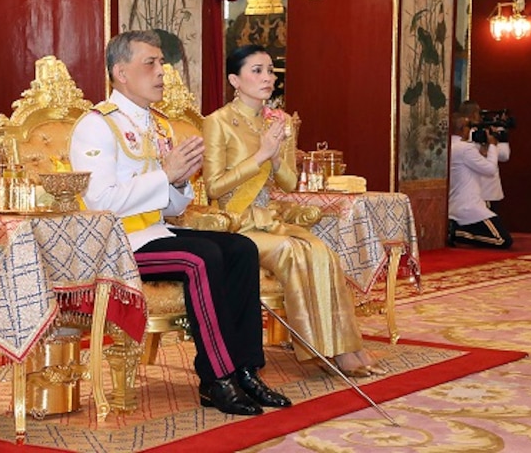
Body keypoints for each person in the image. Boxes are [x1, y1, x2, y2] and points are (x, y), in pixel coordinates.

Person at [69, 30, 291, 416]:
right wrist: (164, 174)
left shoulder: (158, 125)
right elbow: (98, 202)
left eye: (162, 63)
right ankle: (216, 378)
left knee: (240, 248)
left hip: (156, 231)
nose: (161, 72)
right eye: (150, 64)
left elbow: (172, 206)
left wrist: (178, 180)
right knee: (199, 257)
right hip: (117, 243)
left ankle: (245, 369)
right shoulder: (96, 125)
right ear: (121, 72)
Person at [202, 44, 385, 377]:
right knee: (292, 252)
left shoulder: (279, 121)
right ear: (235, 80)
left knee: (323, 251)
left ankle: (345, 346)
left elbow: (287, 184)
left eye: (270, 70)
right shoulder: (218, 122)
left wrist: (275, 156)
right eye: (256, 70)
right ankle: (324, 351)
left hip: (269, 219)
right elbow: (214, 187)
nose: (267, 77)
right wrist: (259, 156)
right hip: (234, 223)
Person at [447, 113, 513, 248]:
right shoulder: (465, 148)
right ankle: (455, 233)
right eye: (468, 127)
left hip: (455, 205)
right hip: (470, 207)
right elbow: (490, 170)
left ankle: (454, 230)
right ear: (461, 129)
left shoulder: (449, 147)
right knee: (502, 240)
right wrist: (493, 145)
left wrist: (484, 149)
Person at [458, 100, 511, 213]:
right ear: (474, 114)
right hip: (475, 191)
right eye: (478, 113)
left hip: (490, 191)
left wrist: (497, 136)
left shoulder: (487, 131)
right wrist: (490, 146)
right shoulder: (463, 136)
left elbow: (504, 156)